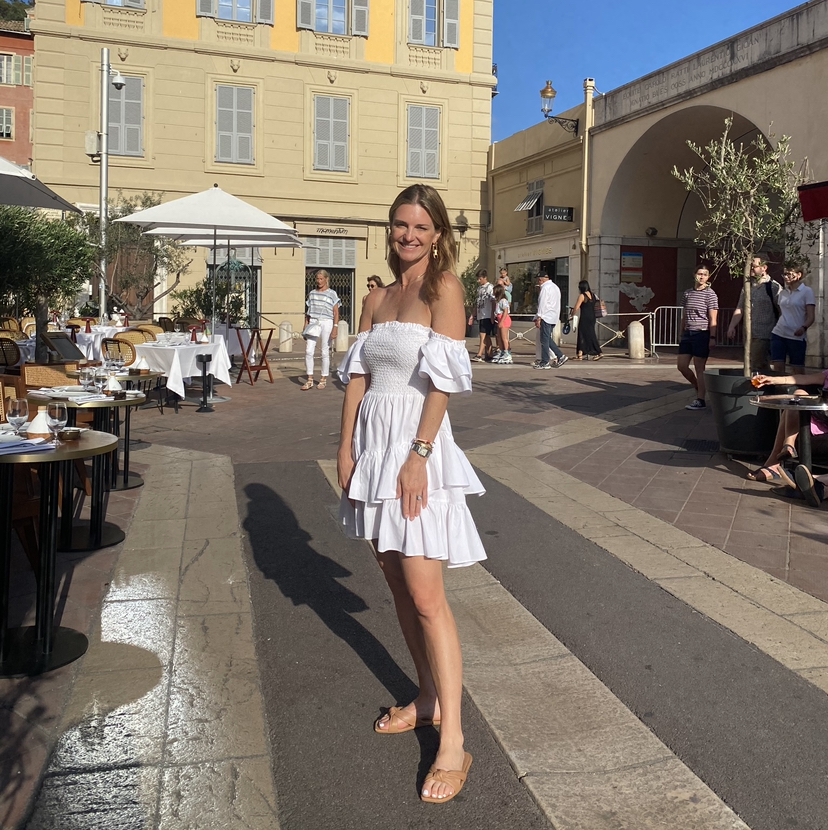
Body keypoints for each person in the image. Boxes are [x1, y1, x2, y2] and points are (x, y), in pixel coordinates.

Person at [337, 183, 485, 803]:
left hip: (415, 450)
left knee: (428, 597)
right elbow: (359, 379)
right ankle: (424, 697)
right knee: (396, 582)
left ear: (439, 233)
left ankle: (453, 740)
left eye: (421, 227)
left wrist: (419, 455)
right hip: (373, 451)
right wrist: (344, 448)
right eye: (401, 225)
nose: (409, 236)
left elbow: (444, 383)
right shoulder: (375, 297)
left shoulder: (442, 289)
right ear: (390, 228)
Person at [745, 368, 828, 483]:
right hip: (820, 418)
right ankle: (788, 445)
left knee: (788, 411)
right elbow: (802, 378)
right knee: (798, 395)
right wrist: (771, 380)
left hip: (824, 425)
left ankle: (776, 460)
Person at [726, 257, 781, 372]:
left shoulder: (773, 287)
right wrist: (732, 326)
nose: (751, 269)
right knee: (760, 364)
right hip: (749, 333)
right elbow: (740, 308)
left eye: (754, 267)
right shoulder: (748, 287)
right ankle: (769, 385)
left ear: (764, 268)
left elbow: (781, 309)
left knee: (755, 364)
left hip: (765, 333)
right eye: (749, 267)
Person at [677, 266, 719, 410]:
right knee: (681, 366)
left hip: (702, 333)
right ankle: (697, 386)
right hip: (688, 333)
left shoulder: (710, 294)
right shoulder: (688, 293)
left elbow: (713, 318)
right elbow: (684, 314)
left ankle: (700, 399)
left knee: (699, 367)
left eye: (705, 275)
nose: (701, 277)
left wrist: (712, 337)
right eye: (699, 274)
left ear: (708, 277)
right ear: (694, 275)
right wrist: (681, 331)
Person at [770, 264, 815, 374]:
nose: (786, 277)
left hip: (796, 336)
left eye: (789, 274)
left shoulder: (807, 291)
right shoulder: (783, 293)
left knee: (797, 369)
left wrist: (803, 328)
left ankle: (798, 390)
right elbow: (782, 312)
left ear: (798, 275)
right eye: (784, 274)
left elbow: (811, 316)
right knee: (778, 367)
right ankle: (778, 389)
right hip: (779, 333)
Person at [301, 269, 340, 391]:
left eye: (321, 279)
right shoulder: (312, 293)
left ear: (326, 279)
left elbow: (336, 312)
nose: (319, 281)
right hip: (314, 321)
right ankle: (310, 379)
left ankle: (323, 378)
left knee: (324, 351)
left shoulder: (332, 293)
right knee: (309, 351)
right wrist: (305, 325)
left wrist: (335, 327)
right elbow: (308, 311)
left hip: (327, 322)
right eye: (317, 279)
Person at [532, 271, 568, 369]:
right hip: (553, 316)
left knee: (544, 340)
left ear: (541, 279)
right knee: (546, 338)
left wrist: (539, 317)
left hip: (546, 316)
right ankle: (560, 356)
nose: (538, 282)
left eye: (538, 280)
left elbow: (542, 304)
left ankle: (545, 362)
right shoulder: (555, 287)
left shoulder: (545, 288)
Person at [571, 280, 603, 361]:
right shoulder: (593, 295)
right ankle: (580, 353)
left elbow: (576, 307)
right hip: (592, 317)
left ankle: (599, 352)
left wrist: (572, 314)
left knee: (586, 334)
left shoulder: (582, 296)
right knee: (587, 333)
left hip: (585, 317)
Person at [470, 269, 494, 362]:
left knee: (482, 334)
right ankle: (490, 353)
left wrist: (492, 314)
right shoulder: (479, 289)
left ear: (484, 278)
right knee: (486, 335)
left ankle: (479, 354)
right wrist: (473, 315)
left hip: (487, 314)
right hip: (481, 314)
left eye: (480, 279)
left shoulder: (490, 287)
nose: (478, 281)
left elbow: (493, 301)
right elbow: (477, 303)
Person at [491, 284, 512, 364]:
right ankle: (501, 351)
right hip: (499, 318)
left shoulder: (503, 300)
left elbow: (505, 311)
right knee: (499, 337)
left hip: (504, 319)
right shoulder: (498, 301)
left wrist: (502, 321)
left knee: (504, 337)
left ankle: (507, 353)